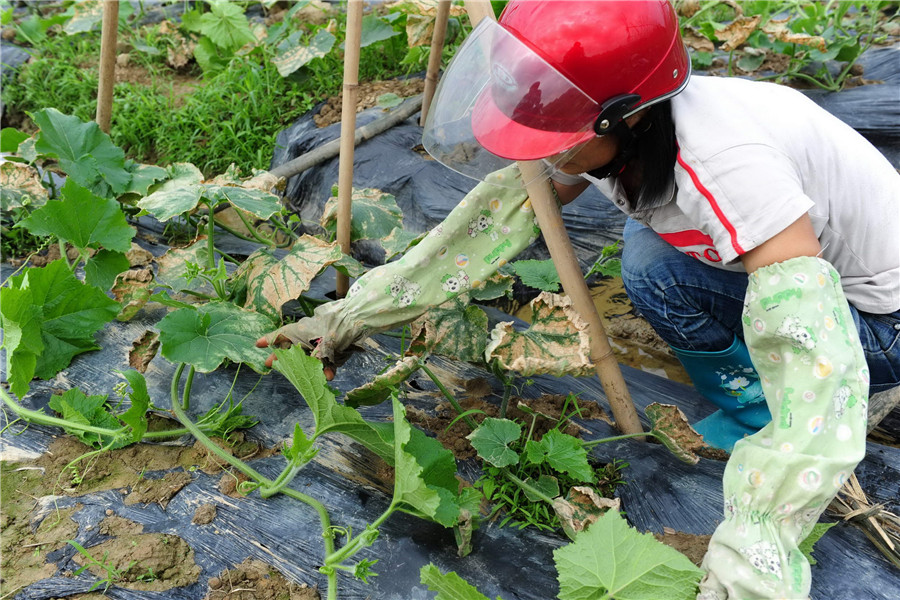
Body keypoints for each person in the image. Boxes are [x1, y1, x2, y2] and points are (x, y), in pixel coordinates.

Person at [258, 1, 900, 598]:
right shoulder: (629, 125)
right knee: (648, 258)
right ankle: (745, 402)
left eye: (556, 133)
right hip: (813, 277)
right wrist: (346, 317)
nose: (541, 148)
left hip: (877, 318)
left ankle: (776, 413)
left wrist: (751, 553)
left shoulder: (728, 165)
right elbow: (498, 218)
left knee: (669, 280)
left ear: (629, 115)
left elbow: (810, 348)